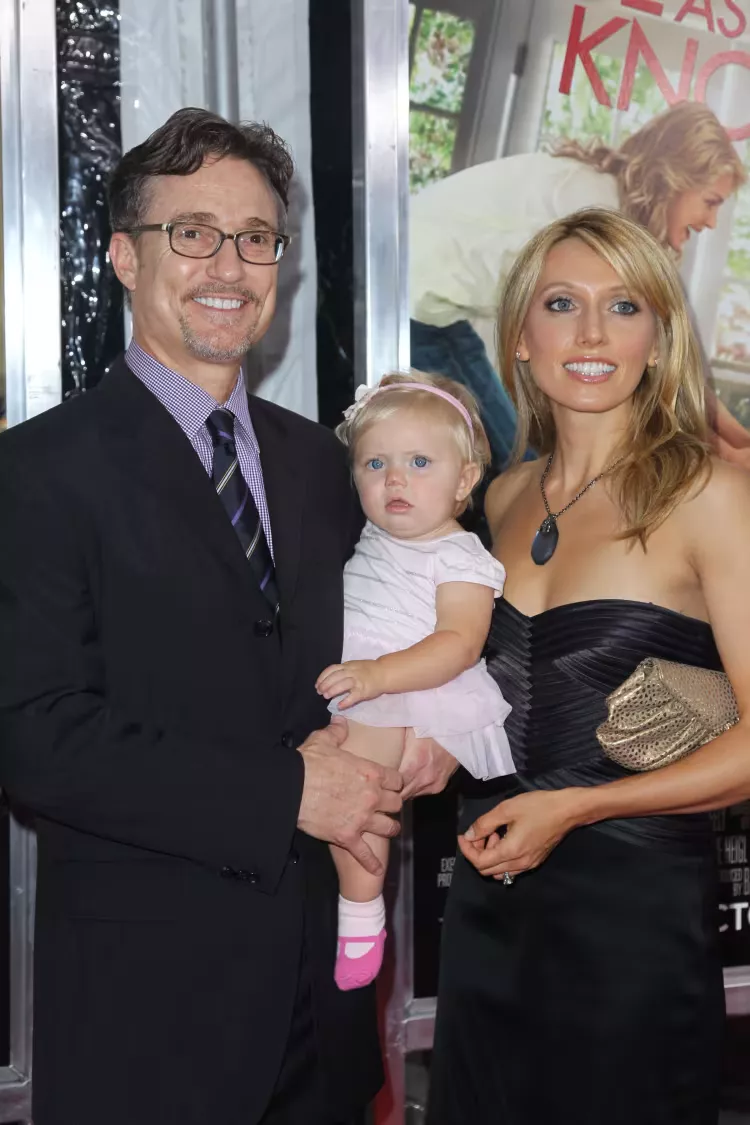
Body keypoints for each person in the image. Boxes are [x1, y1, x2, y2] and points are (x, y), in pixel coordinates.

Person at [0, 107, 407, 1125]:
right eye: (193, 233)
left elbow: (386, 636)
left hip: (324, 1018)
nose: (229, 265)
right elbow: (34, 735)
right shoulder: (36, 473)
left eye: (257, 237)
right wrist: (288, 793)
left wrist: (426, 730)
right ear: (124, 257)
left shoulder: (326, 465)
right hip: (149, 1024)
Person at [426, 207, 750, 1124]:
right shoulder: (498, 498)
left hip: (631, 926)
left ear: (660, 337)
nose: (594, 333)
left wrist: (580, 805)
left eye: (626, 305)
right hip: (488, 911)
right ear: (520, 336)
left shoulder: (713, 495)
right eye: (563, 303)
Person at [410, 100, 746, 468]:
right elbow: (650, 364)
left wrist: (736, 440)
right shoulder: (596, 212)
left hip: (432, 307)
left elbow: (670, 355)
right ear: (675, 180)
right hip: (408, 298)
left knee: (515, 463)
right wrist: (723, 450)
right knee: (504, 466)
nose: (712, 221)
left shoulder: (601, 195)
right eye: (710, 202)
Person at [314, 371, 514, 990]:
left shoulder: (460, 556)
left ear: (465, 480)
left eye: (419, 462)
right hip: (358, 673)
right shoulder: (371, 534)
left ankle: (360, 914)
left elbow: (459, 642)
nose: (394, 480)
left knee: (359, 788)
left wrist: (380, 676)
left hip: (413, 680)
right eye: (375, 464)